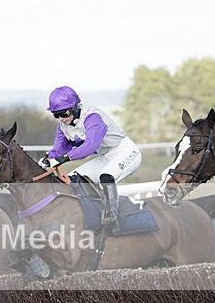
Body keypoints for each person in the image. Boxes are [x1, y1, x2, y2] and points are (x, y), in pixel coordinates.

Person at [41, 86, 142, 235]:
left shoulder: (93, 116)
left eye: (64, 113)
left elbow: (90, 145)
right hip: (105, 156)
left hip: (125, 151)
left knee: (107, 175)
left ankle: (112, 217)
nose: (61, 119)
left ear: (75, 107)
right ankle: (88, 214)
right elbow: (59, 148)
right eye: (56, 115)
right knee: (74, 178)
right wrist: (48, 158)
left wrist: (66, 158)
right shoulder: (63, 125)